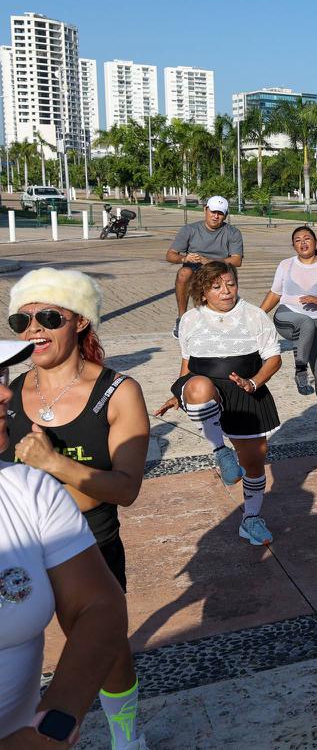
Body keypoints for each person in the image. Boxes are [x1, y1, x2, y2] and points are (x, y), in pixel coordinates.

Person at [3, 271, 150, 749]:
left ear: (81, 320)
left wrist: (51, 463)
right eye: (21, 320)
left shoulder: (117, 392)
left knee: (105, 647)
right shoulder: (8, 396)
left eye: (48, 316)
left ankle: (125, 734)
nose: (34, 330)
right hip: (17, 542)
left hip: (89, 543)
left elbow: (125, 489)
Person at [154, 262, 281, 545]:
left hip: (245, 390)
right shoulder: (190, 319)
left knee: (254, 463)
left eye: (230, 284)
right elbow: (187, 362)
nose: (226, 291)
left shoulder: (256, 315)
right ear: (203, 292)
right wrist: (179, 393)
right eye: (217, 287)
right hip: (204, 386)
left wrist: (254, 382)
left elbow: (274, 358)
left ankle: (251, 519)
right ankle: (221, 451)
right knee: (199, 385)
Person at [260, 228, 317, 433]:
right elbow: (274, 294)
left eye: (307, 238)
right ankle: (300, 370)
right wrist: (257, 315)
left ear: (315, 241)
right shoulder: (286, 265)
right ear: (293, 245)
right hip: (286, 316)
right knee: (305, 323)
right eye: (298, 240)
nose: (303, 243)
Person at [164, 195, 243, 339]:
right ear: (205, 210)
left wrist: (209, 261)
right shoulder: (189, 229)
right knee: (183, 273)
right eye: (213, 212)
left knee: (220, 282)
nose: (215, 216)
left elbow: (237, 260)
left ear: (225, 215)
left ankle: (219, 318)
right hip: (193, 267)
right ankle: (181, 318)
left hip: (219, 268)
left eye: (220, 213)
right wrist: (184, 258)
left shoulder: (233, 232)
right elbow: (170, 255)